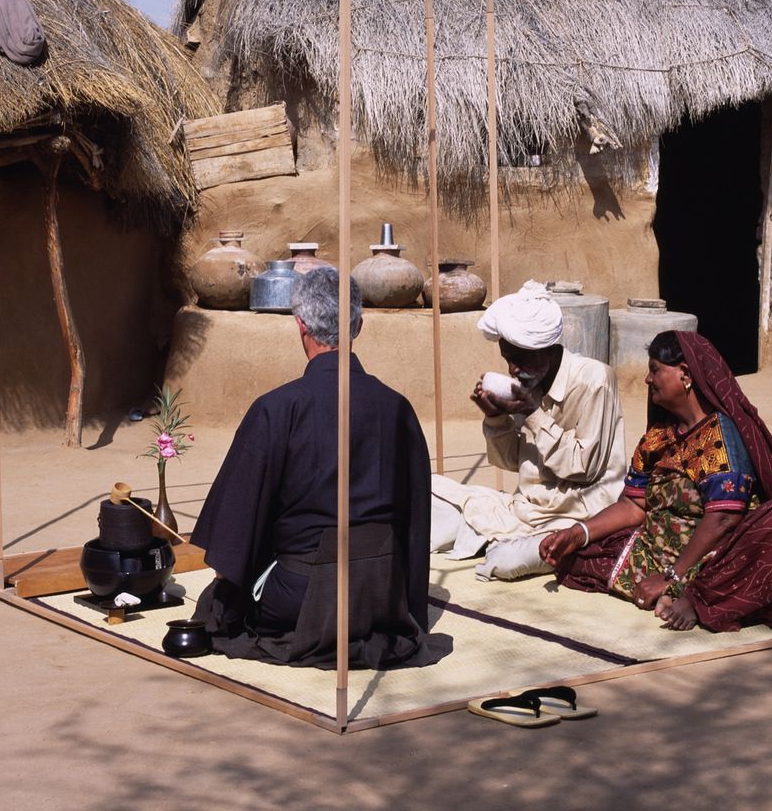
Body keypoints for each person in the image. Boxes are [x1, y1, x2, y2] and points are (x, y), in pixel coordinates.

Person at [191, 267, 451, 668]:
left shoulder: (276, 409)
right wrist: (407, 607)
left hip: (302, 597)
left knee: (219, 601)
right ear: (358, 325)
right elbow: (416, 523)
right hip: (382, 593)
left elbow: (232, 542)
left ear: (301, 326)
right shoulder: (397, 407)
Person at [540, 330, 772, 631]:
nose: (647, 378)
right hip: (657, 549)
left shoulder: (720, 436)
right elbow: (632, 504)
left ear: (684, 374)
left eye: (655, 370)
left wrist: (672, 577)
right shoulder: (658, 436)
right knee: (575, 556)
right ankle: (666, 586)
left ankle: (698, 598)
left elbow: (724, 518)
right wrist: (576, 532)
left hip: (714, 559)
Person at [430, 280, 627, 581]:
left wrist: (530, 413)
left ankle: (496, 542)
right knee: (426, 493)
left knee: (506, 562)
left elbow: (582, 469)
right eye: (508, 360)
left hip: (572, 517)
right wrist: (495, 418)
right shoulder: (528, 385)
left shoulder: (595, 380)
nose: (512, 370)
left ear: (546, 350)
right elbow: (512, 462)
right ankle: (491, 537)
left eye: (519, 360)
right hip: (523, 509)